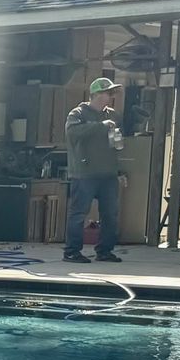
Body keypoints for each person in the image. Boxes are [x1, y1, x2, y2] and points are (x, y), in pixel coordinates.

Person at [63, 77, 124, 263]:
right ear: (96, 94)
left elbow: (116, 145)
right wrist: (100, 126)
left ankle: (105, 250)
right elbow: (72, 133)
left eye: (112, 93)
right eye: (108, 92)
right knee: (79, 213)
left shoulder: (112, 115)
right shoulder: (78, 113)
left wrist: (120, 169)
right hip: (84, 173)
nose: (110, 96)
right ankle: (72, 252)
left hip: (108, 173)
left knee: (110, 214)